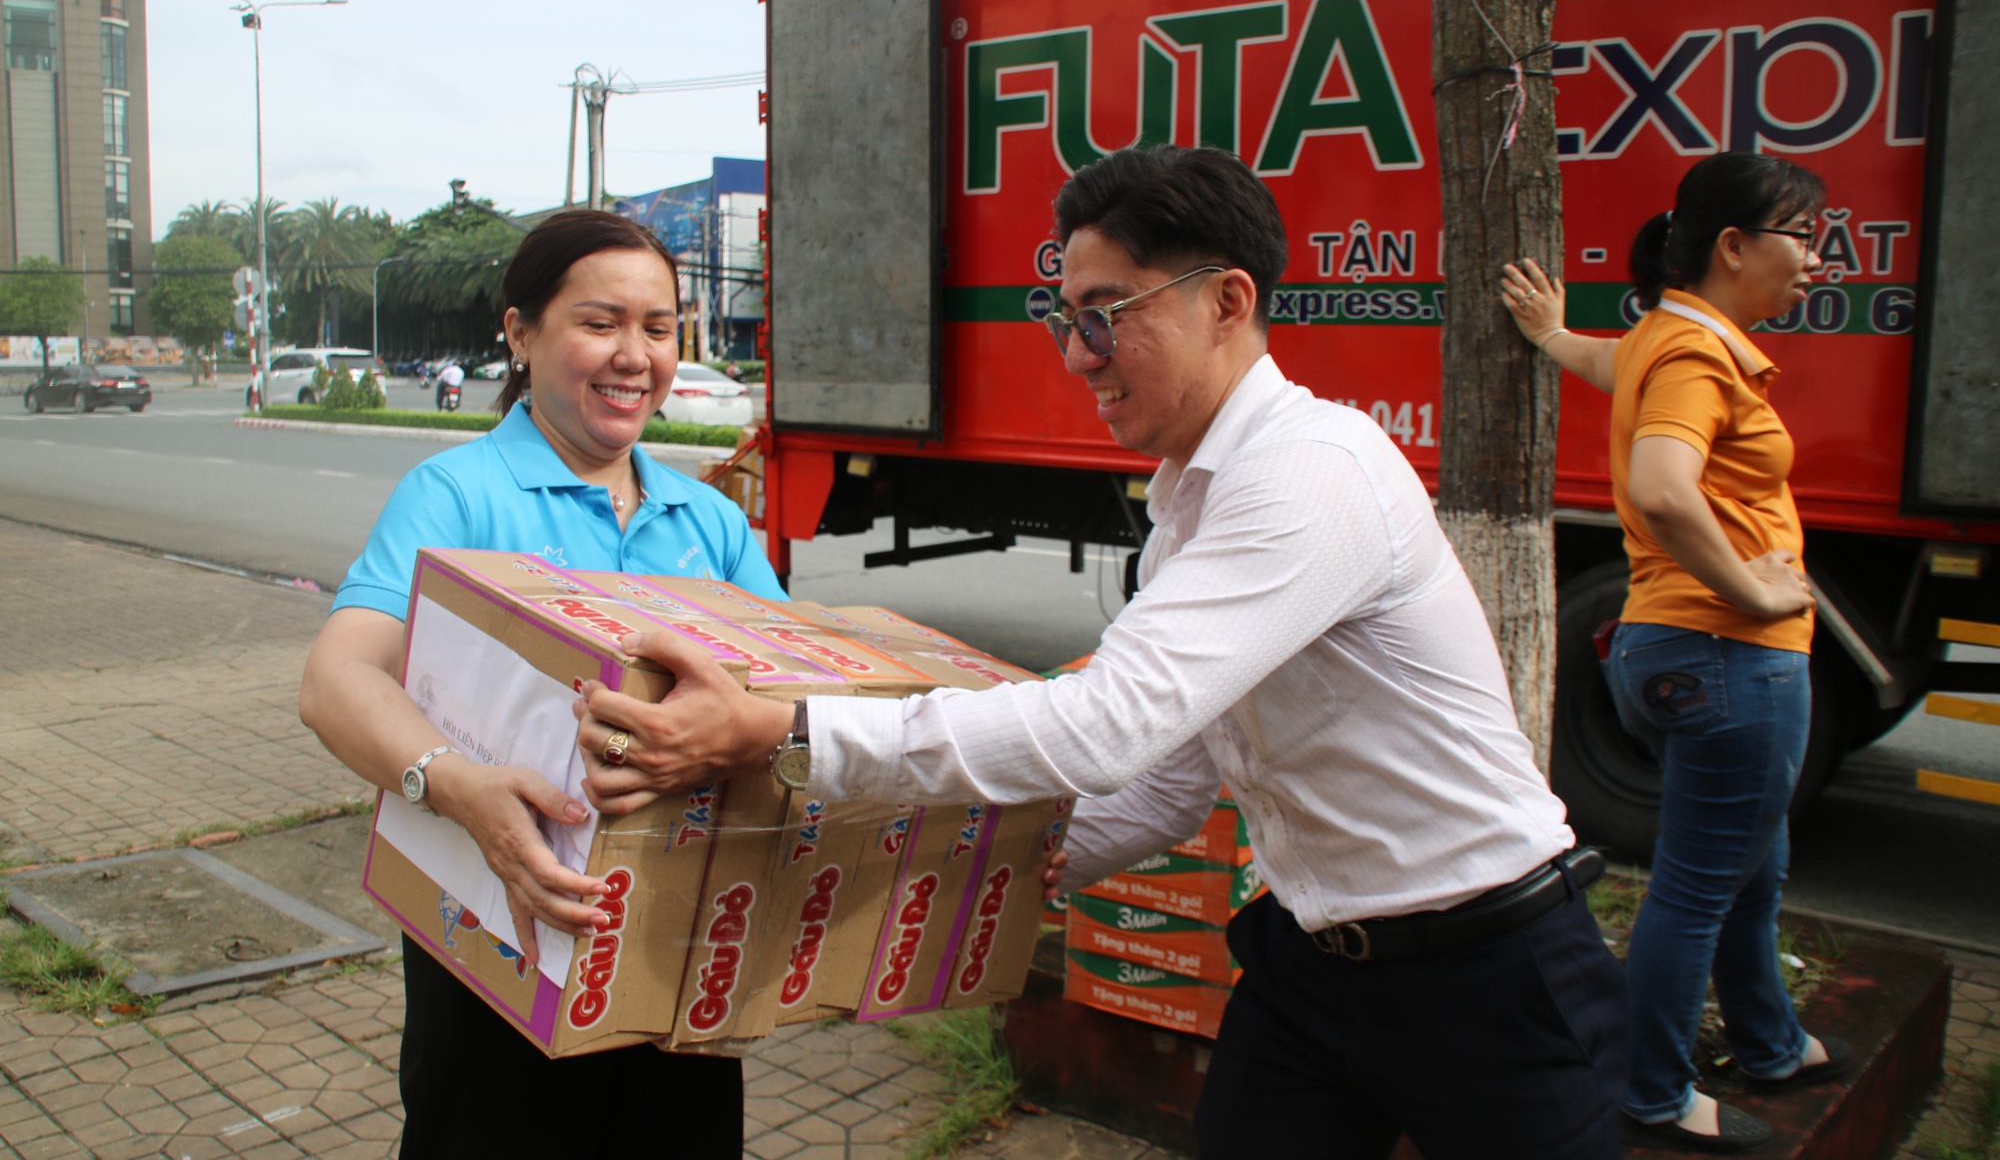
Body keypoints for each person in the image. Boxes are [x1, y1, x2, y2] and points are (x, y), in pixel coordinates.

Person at [562, 145, 1629, 1160]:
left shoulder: (1310, 473)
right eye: (1062, 318)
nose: (1078, 355)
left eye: (1105, 316)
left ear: (1226, 301)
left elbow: (1104, 723)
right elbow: (1167, 777)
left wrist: (781, 733)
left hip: (1486, 966)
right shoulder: (1184, 510)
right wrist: (979, 861)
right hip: (1312, 964)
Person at [297, 211, 776, 1159]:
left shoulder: (710, 522)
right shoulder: (457, 495)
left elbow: (798, 695)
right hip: (490, 950)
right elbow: (336, 679)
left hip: (675, 950)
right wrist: (459, 786)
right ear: (521, 334)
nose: (633, 357)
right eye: (600, 323)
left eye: (657, 328)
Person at [1500, 151, 1851, 1152]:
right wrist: (1752, 584)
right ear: (1733, 246)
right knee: (1700, 881)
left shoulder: (1667, 336)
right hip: (1727, 648)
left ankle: (1768, 1039)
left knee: (1751, 862)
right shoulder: (1699, 357)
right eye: (1801, 238)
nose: (1813, 261)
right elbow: (1661, 485)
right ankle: (1648, 1089)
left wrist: (1548, 333)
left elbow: (1603, 363)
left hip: (1678, 646)